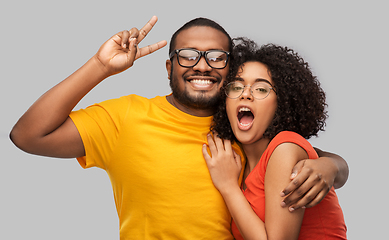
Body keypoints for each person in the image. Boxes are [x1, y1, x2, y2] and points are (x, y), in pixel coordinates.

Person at [10, 17, 348, 239]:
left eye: (217, 57)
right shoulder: (127, 116)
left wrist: (330, 166)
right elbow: (27, 135)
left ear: (230, 70)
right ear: (170, 66)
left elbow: (297, 156)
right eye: (188, 55)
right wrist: (99, 67)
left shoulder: (241, 128)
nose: (202, 65)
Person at [202, 38, 347, 239]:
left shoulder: (285, 148)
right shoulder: (238, 160)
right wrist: (335, 165)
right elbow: (333, 162)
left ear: (282, 103)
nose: (246, 94)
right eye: (236, 87)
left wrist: (228, 187)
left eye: (261, 89)